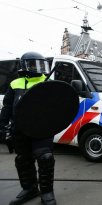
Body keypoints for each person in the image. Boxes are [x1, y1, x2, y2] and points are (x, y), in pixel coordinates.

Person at [0, 52, 56, 205]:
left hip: (41, 130)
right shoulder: (15, 83)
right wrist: (3, 126)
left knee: (45, 158)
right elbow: (7, 107)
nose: (37, 68)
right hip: (19, 130)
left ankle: (47, 192)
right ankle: (30, 188)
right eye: (33, 64)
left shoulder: (47, 82)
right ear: (24, 66)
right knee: (23, 160)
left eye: (40, 64)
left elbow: (56, 107)